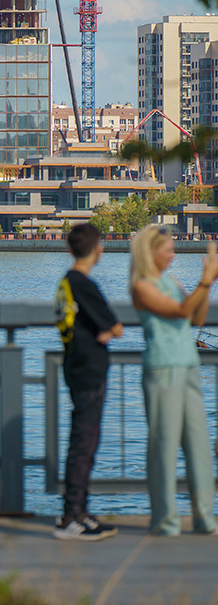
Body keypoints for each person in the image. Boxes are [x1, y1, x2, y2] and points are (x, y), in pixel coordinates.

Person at [129, 224, 218, 536]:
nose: (173, 254)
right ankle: (165, 520)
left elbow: (198, 318)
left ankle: (204, 517)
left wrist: (206, 285)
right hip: (162, 369)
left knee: (198, 446)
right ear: (151, 252)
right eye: (168, 249)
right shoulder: (141, 286)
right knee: (164, 446)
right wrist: (204, 282)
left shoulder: (170, 280)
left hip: (188, 366)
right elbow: (181, 311)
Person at [52, 223, 124, 541]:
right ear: (99, 249)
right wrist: (108, 331)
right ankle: (72, 515)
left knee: (82, 441)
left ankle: (78, 510)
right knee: (84, 443)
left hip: (74, 366)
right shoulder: (84, 284)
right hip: (90, 371)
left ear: (70, 250)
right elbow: (116, 326)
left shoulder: (65, 283)